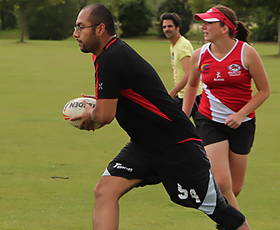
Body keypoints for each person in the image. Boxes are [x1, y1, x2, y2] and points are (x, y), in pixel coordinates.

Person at [72, 3, 251, 230]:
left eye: (80, 27)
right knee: (105, 190)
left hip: (176, 146)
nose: (76, 33)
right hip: (145, 145)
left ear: (99, 29)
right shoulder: (106, 54)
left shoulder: (111, 56)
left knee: (219, 210)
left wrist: (91, 114)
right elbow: (121, 99)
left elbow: (105, 116)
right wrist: (100, 104)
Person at [182, 5, 270, 229]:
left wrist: (240, 115)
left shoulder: (246, 53)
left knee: (234, 188)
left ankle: (225, 224)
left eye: (209, 22)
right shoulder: (199, 55)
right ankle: (242, 227)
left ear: (225, 27)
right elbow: (192, 85)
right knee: (221, 183)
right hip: (209, 120)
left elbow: (264, 90)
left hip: (243, 123)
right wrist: (183, 117)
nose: (203, 26)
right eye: (203, 22)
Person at [160, 13, 202, 122]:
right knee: (173, 124)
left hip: (194, 95)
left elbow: (189, 73)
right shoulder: (174, 45)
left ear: (177, 27)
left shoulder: (183, 46)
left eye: (170, 26)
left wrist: (173, 92)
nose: (166, 29)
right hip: (182, 95)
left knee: (202, 128)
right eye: (164, 27)